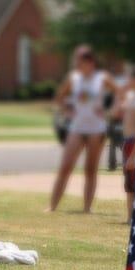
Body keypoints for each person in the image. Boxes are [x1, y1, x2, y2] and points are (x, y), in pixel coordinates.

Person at [49, 46, 117, 213]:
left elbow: (119, 93)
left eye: (80, 60)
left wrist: (110, 112)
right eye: (76, 60)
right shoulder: (74, 78)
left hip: (97, 129)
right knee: (65, 166)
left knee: (90, 169)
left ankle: (87, 208)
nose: (77, 64)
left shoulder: (102, 77)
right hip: (77, 128)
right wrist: (67, 110)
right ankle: (52, 206)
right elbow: (59, 97)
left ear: (90, 62)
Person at [116, 69, 135, 223]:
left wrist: (134, 155)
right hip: (127, 140)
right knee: (128, 182)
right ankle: (130, 216)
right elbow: (115, 112)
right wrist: (119, 93)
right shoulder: (130, 97)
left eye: (131, 78)